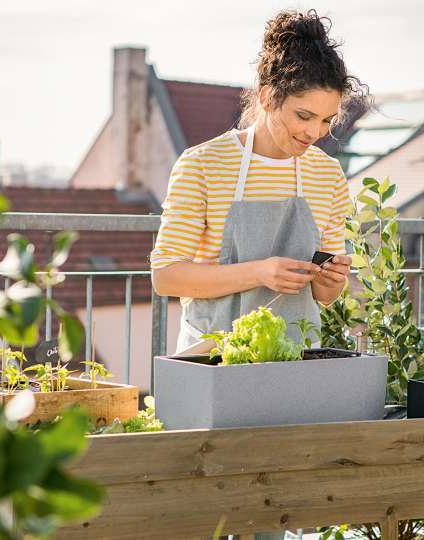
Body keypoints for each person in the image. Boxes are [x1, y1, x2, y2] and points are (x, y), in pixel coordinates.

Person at [151, 9, 369, 538]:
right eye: (302, 116)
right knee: (205, 511)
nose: (314, 133)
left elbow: (323, 293)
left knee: (275, 515)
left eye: (326, 121)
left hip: (291, 367)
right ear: (267, 95)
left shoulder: (326, 175)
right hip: (212, 363)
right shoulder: (204, 164)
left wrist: (330, 284)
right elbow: (167, 276)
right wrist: (260, 271)